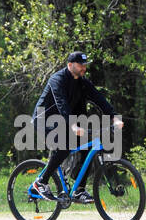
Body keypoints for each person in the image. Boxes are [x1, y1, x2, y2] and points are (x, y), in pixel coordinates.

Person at [31, 51, 123, 203]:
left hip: (64, 121)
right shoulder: (57, 79)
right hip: (45, 120)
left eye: (85, 65)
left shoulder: (83, 82)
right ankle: (41, 181)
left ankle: (79, 190)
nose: (83, 68)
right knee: (64, 145)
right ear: (70, 65)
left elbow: (99, 99)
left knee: (88, 146)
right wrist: (73, 125)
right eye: (80, 65)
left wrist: (114, 117)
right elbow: (61, 103)